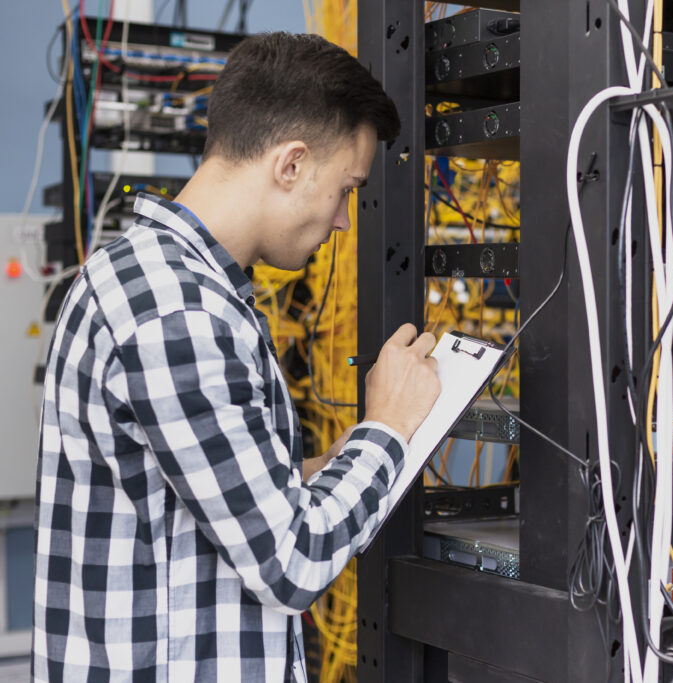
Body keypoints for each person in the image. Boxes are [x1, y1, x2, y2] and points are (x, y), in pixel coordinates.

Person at [33, 32, 440, 682]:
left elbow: (201, 501)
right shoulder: (177, 311)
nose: (342, 219)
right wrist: (387, 427)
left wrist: (337, 460)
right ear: (291, 164)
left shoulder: (154, 278)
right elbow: (291, 562)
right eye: (346, 188)